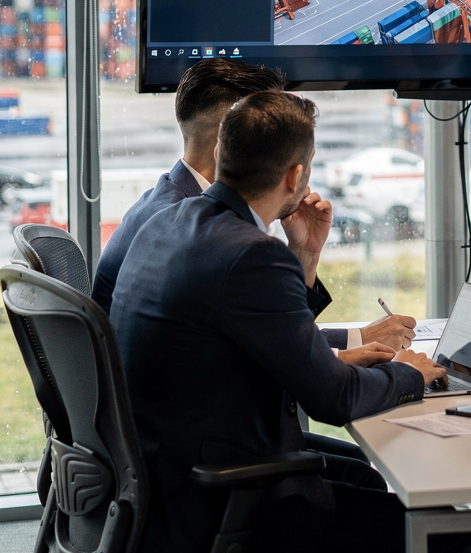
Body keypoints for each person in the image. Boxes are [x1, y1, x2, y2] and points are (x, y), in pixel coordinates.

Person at [110, 90, 471, 553]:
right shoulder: (250, 253)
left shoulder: (170, 221)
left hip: (159, 483)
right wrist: (411, 372)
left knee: (364, 481)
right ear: (295, 176)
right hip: (215, 498)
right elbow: (333, 400)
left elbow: (272, 341)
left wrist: (303, 254)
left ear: (221, 156)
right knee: (445, 534)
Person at [93, 58, 415, 355]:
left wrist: (304, 253)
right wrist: (358, 345)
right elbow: (270, 346)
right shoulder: (188, 228)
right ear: (235, 134)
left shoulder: (178, 201)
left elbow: (268, 326)